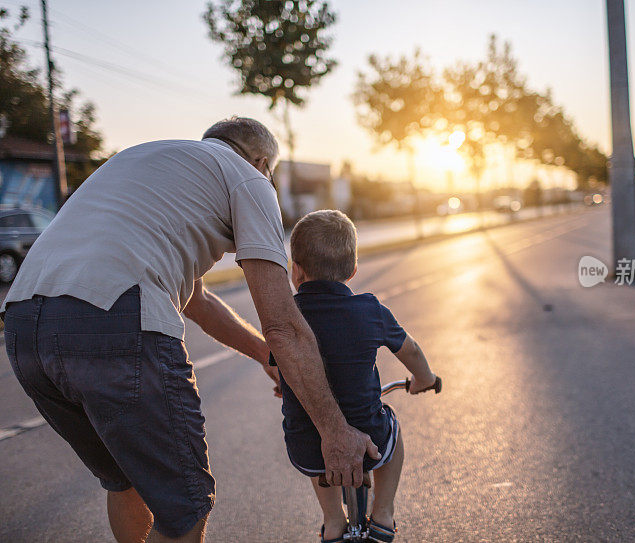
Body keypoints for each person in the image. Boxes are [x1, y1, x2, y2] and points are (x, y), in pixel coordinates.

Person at [1, 117, 379, 542]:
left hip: (21, 324)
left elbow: (195, 298)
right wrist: (334, 430)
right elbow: (284, 325)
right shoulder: (249, 179)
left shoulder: (142, 158)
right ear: (260, 161)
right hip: (118, 322)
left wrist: (264, 357)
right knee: (187, 503)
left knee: (126, 479)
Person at [269, 210, 439, 543]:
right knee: (392, 425)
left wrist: (283, 383)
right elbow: (412, 352)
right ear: (353, 270)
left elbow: (279, 364)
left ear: (296, 271)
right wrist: (425, 378)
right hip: (369, 434)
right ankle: (384, 513)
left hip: (306, 446)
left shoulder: (286, 317)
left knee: (312, 439)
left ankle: (333, 521)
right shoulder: (370, 310)